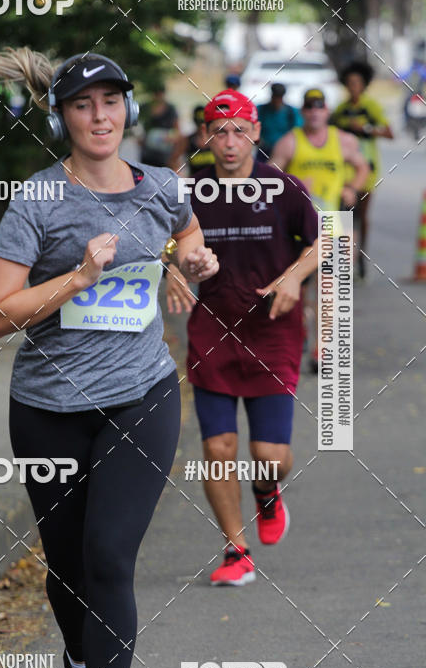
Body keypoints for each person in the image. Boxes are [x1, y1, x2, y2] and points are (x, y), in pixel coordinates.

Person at [0, 47, 218, 668]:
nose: (100, 116)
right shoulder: (37, 201)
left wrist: (191, 263)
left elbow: (189, 233)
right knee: (69, 566)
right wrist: (79, 276)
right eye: (84, 105)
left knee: (110, 558)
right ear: (63, 116)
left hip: (142, 396)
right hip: (48, 408)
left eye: (112, 101)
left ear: (128, 108)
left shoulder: (163, 185)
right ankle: (77, 651)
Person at [165, 89, 319, 586]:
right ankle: (236, 549)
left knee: (269, 457)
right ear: (205, 136)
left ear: (255, 132)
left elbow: (330, 239)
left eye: (238, 130)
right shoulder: (189, 190)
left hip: (272, 330)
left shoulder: (282, 187)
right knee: (218, 448)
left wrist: (295, 275)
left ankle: (267, 491)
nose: (229, 141)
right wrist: (168, 267)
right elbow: (157, 240)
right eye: (218, 130)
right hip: (212, 330)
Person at [270, 88, 368, 371]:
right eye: (309, 108)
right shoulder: (290, 142)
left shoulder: (343, 142)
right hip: (298, 232)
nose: (314, 112)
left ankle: (321, 351)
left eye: (320, 107)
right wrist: (292, 188)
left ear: (327, 112)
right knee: (296, 289)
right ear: (303, 113)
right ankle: (298, 334)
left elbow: (363, 167)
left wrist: (353, 188)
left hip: (333, 229)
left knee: (329, 292)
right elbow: (268, 178)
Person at [330, 61, 394, 278]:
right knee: (344, 215)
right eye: (349, 83)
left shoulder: (371, 107)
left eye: (356, 83)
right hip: (344, 172)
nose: (352, 87)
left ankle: (363, 257)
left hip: (368, 169)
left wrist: (365, 128)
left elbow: (389, 133)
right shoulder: (340, 109)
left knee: (363, 215)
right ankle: (345, 261)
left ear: (364, 84)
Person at [139, 84, 181, 169]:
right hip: (147, 152)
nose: (158, 97)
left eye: (160, 94)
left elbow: (177, 131)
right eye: (156, 94)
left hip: (165, 152)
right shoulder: (145, 107)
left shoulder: (171, 109)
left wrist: (171, 138)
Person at [257, 82, 302, 159]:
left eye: (279, 97)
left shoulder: (291, 111)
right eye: (275, 96)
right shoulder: (261, 109)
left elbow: (298, 130)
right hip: (265, 149)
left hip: (284, 150)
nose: (277, 100)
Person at [181, 104, 216, 173]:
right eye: (199, 122)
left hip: (215, 182)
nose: (202, 126)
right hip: (194, 182)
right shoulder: (187, 140)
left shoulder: (216, 139)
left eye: (204, 122)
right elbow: (173, 161)